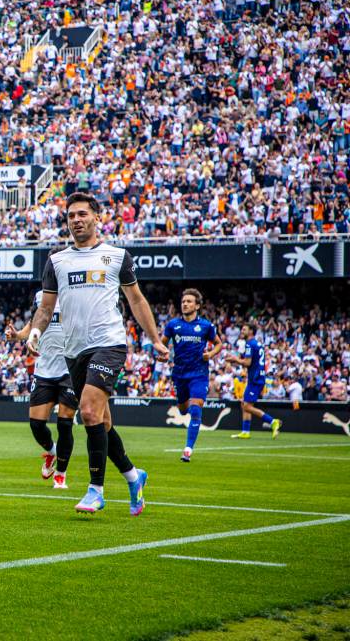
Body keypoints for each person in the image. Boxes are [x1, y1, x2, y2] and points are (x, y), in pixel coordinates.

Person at [29, 192, 167, 516]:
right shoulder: (57, 261)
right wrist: (35, 331)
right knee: (102, 422)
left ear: (96, 217)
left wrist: (155, 339)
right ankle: (134, 476)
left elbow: (136, 301)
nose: (76, 220)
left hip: (109, 343)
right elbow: (46, 307)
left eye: (82, 214)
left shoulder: (117, 256)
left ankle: (95, 490)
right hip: (73, 350)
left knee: (88, 412)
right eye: (71, 216)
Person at [6, 289, 76, 489]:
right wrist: (18, 335)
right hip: (44, 370)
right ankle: (52, 452)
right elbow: (34, 323)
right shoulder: (40, 296)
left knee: (65, 424)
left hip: (69, 370)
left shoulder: (76, 292)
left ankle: (61, 475)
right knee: (36, 425)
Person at [162, 288, 223, 461]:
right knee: (183, 410)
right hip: (179, 374)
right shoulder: (173, 325)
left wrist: (210, 354)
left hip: (199, 374)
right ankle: (184, 408)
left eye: (189, 301)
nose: (185, 304)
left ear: (197, 305)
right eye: (183, 301)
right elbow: (162, 344)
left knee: (196, 407)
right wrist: (162, 353)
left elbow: (219, 344)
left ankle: (188, 449)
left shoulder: (206, 326)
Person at [225, 323, 282, 439]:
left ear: (251, 331)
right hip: (256, 378)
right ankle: (245, 432)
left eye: (244, 329)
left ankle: (272, 421)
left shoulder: (250, 344)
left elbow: (247, 363)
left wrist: (235, 359)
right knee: (244, 404)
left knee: (246, 406)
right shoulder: (257, 343)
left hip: (255, 379)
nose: (242, 331)